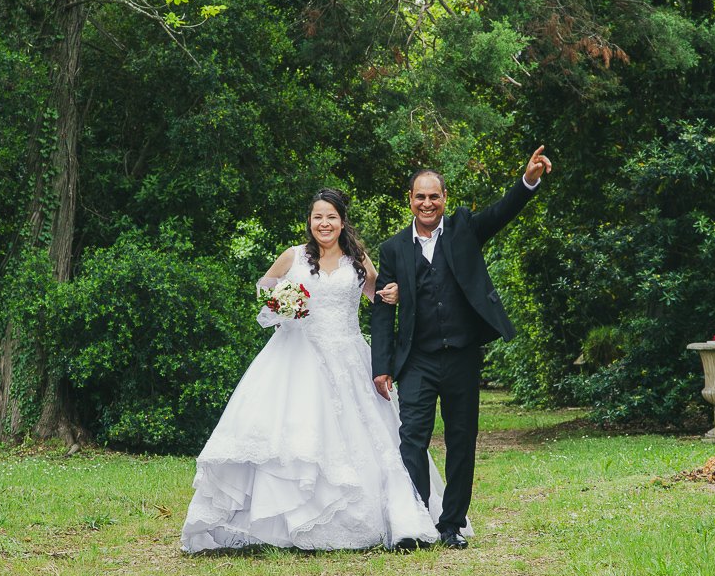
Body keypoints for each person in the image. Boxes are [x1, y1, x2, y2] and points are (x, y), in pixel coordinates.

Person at [180, 188, 444, 552]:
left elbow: (379, 294)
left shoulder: (357, 259)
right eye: (318, 217)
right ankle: (283, 522)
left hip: (349, 357)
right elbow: (264, 289)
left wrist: (393, 293)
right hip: (297, 356)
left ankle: (386, 518)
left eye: (331, 217)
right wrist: (283, 305)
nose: (325, 223)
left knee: (370, 440)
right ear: (310, 221)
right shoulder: (294, 256)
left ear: (342, 222)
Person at [371, 146, 552, 549]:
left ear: (444, 198)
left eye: (434, 196)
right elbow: (383, 310)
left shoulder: (464, 228)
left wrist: (528, 180)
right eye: (420, 196)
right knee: (411, 438)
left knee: (461, 440)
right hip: (417, 358)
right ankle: (418, 520)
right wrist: (381, 366)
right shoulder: (393, 248)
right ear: (410, 200)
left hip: (462, 356)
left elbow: (502, 212)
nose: (427, 203)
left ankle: (451, 524)